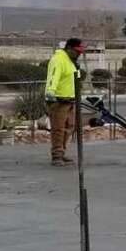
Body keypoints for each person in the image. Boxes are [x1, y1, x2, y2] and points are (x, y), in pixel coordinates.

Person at [44, 37, 84, 166]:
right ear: (69, 48)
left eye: (80, 52)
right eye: (77, 51)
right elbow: (53, 76)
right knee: (58, 129)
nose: (79, 54)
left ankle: (62, 152)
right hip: (58, 101)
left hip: (70, 100)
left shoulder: (71, 61)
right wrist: (50, 91)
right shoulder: (58, 59)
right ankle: (57, 156)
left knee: (69, 127)